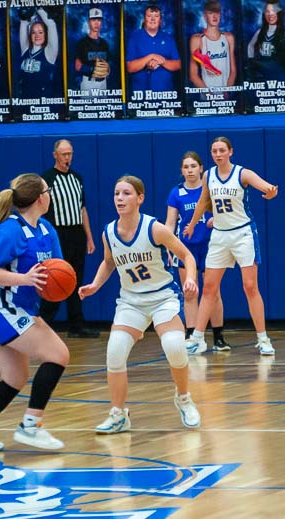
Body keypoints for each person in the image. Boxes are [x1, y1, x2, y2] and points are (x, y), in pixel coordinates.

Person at [0, 173, 70, 453]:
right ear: (40, 198)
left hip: (19, 307)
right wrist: (25, 280)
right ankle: (31, 426)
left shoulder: (46, 230)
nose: (51, 194)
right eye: (48, 190)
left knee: (15, 378)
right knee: (59, 355)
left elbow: (56, 271)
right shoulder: (10, 231)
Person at [79, 175, 202, 434]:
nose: (120, 198)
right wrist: (95, 285)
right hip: (131, 301)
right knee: (114, 352)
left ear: (140, 198)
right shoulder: (109, 232)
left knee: (174, 346)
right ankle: (119, 414)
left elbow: (187, 256)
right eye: (116, 194)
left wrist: (190, 278)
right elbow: (109, 262)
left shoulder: (155, 228)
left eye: (126, 193)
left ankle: (183, 398)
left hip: (162, 297)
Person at [184, 137, 278, 356]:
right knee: (208, 288)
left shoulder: (242, 173)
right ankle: (197, 338)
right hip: (219, 235)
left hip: (243, 233)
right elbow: (204, 202)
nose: (218, 154)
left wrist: (270, 191)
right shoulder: (208, 175)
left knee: (250, 287)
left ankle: (263, 339)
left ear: (230, 152)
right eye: (214, 151)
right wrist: (192, 223)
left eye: (222, 150)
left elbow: (265, 186)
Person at [164, 151, 228, 349]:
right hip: (186, 248)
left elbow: (226, 213)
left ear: (201, 168)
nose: (190, 170)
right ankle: (191, 335)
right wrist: (168, 244)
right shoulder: (176, 193)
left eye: (193, 166)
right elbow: (170, 223)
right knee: (190, 292)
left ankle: (218, 336)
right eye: (186, 167)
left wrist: (215, 220)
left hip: (211, 245)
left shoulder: (211, 189)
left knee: (213, 292)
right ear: (181, 171)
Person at [39, 140, 99, 338]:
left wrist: (89, 237)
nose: (67, 158)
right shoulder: (46, 179)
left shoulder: (77, 178)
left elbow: (82, 209)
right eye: (64, 154)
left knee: (76, 279)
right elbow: (41, 210)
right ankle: (44, 323)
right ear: (55, 155)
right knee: (55, 277)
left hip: (77, 234)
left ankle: (76, 325)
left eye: (70, 154)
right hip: (57, 234)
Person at [125, 3, 181, 93]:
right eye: (149, 16)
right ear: (144, 19)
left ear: (160, 20)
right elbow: (130, 67)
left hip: (165, 93)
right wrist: (151, 56)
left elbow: (178, 64)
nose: (153, 19)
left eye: (156, 16)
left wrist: (162, 61)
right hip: (141, 94)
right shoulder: (134, 37)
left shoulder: (168, 38)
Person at [245, 0, 285, 82]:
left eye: (274, 10)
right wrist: (251, 61)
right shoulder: (260, 32)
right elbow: (250, 46)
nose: (270, 14)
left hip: (280, 78)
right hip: (263, 77)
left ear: (279, 13)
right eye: (267, 11)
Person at [188, 0, 236, 89]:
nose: (214, 16)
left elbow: (233, 70)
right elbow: (193, 75)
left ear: (220, 14)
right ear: (205, 16)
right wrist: (209, 94)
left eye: (217, 13)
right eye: (210, 13)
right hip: (207, 97)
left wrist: (227, 91)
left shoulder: (229, 37)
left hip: (227, 97)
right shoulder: (197, 39)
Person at [15, 8, 59, 99]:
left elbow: (51, 24)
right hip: (25, 100)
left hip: (43, 102)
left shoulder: (50, 52)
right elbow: (24, 22)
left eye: (40, 32)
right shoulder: (25, 49)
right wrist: (30, 11)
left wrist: (38, 8)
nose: (37, 36)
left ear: (46, 34)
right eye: (33, 33)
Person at [74, 8, 111, 92]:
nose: (96, 23)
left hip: (103, 82)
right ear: (89, 22)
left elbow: (108, 63)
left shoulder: (105, 44)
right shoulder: (82, 43)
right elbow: (77, 66)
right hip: (89, 83)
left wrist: (107, 69)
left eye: (99, 20)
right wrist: (92, 69)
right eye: (93, 19)